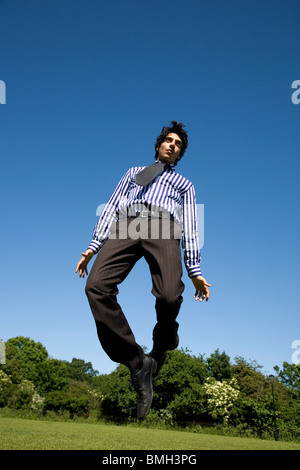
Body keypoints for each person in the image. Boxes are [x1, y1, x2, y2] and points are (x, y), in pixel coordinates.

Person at [75, 121, 211, 420]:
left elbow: (190, 224)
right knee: (95, 287)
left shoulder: (184, 185)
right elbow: (111, 206)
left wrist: (195, 268)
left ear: (179, 155)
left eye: (178, 144)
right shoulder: (133, 173)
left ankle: (163, 342)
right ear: (158, 146)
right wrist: (93, 246)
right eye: (168, 140)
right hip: (128, 223)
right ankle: (138, 363)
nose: (172, 145)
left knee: (169, 296)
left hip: (164, 227)